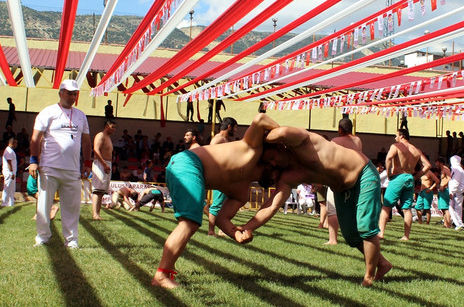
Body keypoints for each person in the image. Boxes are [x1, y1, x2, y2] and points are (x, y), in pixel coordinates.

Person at [243, 123, 391, 287]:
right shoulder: (289, 176)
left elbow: (281, 130)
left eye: (272, 158)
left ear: (280, 147)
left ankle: (369, 277)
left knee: (365, 227)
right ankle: (383, 264)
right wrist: (248, 227)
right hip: (341, 190)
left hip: (363, 173)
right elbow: (272, 206)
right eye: (270, 164)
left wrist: (257, 140)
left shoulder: (302, 143)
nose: (274, 164)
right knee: (351, 236)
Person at [152, 113, 279, 288]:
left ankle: (167, 270)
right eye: (277, 172)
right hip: (189, 163)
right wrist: (285, 139)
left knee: (189, 223)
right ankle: (161, 275)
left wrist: (236, 234)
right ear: (270, 164)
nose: (277, 179)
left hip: (183, 167)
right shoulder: (252, 151)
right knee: (189, 223)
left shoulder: (242, 192)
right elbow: (260, 119)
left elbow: (221, 218)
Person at [29, 79, 92, 249]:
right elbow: (36, 138)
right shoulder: (48, 112)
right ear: (61, 93)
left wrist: (87, 163)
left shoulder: (81, 115)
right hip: (49, 167)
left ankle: (71, 241)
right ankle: (42, 237)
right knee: (44, 204)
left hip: (72, 170)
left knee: (72, 207)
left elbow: (86, 141)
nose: (72, 97)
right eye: (69, 93)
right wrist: (34, 161)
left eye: (75, 94)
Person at [378, 129, 431, 241]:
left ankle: (381, 233)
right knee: (406, 209)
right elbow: (428, 165)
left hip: (397, 177)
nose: (395, 138)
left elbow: (388, 158)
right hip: (409, 178)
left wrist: (388, 174)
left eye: (396, 135)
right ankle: (406, 236)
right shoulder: (416, 149)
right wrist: (416, 176)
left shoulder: (396, 146)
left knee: (386, 207)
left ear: (401, 136)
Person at [207, 117, 237, 236]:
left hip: (227, 177)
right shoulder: (217, 140)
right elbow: (210, 157)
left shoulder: (227, 140)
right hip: (219, 177)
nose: (236, 131)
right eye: (235, 128)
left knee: (228, 203)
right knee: (217, 204)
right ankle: (210, 231)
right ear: (229, 127)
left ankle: (222, 228)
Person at [91, 119, 116, 220]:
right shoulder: (100, 135)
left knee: (101, 191)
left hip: (106, 164)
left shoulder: (108, 138)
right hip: (100, 163)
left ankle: (97, 213)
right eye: (112, 127)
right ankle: (95, 214)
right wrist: (104, 164)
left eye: (115, 127)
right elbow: (96, 150)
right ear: (106, 126)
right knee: (97, 190)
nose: (114, 129)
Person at [448, 156, 464, 230]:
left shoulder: (456, 169)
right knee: (457, 208)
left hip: (457, 191)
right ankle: (459, 223)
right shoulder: (459, 169)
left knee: (453, 208)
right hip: (459, 191)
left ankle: (459, 224)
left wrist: (451, 191)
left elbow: (455, 181)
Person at [435, 158, 452, 228]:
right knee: (443, 208)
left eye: (437, 162)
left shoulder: (446, 169)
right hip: (442, 190)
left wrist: (443, 186)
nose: (436, 164)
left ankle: (448, 224)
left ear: (441, 163)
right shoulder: (442, 170)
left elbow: (449, 178)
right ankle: (445, 224)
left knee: (445, 208)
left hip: (445, 190)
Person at [1, 137, 18, 207]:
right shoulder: (8, 151)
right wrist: (11, 172)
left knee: (11, 188)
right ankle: (4, 202)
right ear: (12, 143)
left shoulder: (11, 151)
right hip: (9, 172)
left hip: (12, 172)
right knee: (7, 187)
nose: (16, 145)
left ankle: (10, 202)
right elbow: (9, 162)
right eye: (15, 143)